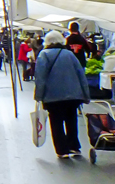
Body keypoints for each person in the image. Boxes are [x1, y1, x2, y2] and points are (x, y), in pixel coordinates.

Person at [34, 30, 90, 159]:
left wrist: (39, 96)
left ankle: (62, 149)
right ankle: (74, 147)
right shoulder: (70, 54)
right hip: (73, 95)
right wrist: (86, 95)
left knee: (56, 122)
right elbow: (81, 75)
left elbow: (40, 78)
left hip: (53, 96)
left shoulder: (44, 55)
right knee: (71, 120)